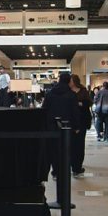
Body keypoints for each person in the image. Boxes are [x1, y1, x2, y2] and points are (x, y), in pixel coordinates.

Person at [43, 72, 81, 203]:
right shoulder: (71, 95)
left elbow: (44, 110)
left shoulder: (50, 94)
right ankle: (64, 172)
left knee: (53, 151)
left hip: (51, 127)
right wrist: (76, 126)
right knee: (66, 151)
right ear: (69, 80)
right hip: (67, 128)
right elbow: (75, 112)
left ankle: (55, 171)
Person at [69, 74, 92, 177]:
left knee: (79, 144)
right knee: (71, 144)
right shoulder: (67, 92)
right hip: (70, 121)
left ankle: (77, 166)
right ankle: (72, 164)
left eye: (71, 81)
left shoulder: (83, 91)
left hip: (82, 120)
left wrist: (80, 104)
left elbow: (88, 104)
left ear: (74, 81)